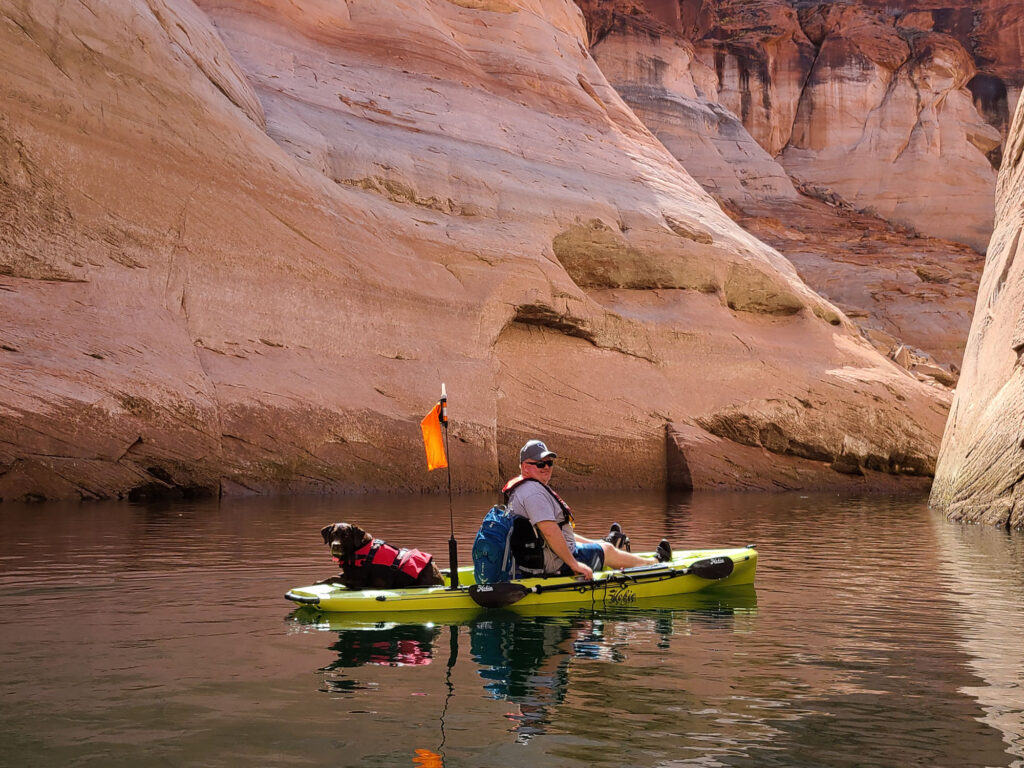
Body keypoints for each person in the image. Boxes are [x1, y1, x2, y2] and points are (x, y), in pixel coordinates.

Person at [503, 439, 671, 579]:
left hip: (536, 556)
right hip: (553, 563)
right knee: (608, 551)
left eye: (549, 462)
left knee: (602, 546)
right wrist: (574, 564)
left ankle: (605, 544)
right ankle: (655, 563)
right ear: (525, 466)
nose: (546, 467)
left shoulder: (521, 489)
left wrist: (593, 544)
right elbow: (549, 532)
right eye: (540, 464)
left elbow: (550, 531)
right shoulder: (534, 494)